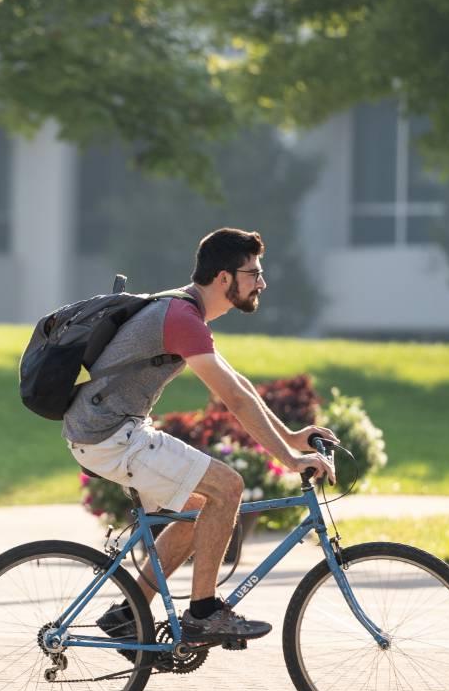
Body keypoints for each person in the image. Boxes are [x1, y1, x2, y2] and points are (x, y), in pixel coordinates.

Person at [65, 227, 336, 646]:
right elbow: (233, 399)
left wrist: (291, 437)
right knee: (228, 488)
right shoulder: (181, 318)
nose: (262, 282)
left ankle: (129, 612)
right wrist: (290, 459)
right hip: (109, 434)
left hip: (113, 430)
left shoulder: (186, 311)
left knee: (200, 510)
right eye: (254, 273)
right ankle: (203, 613)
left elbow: (239, 386)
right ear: (224, 278)